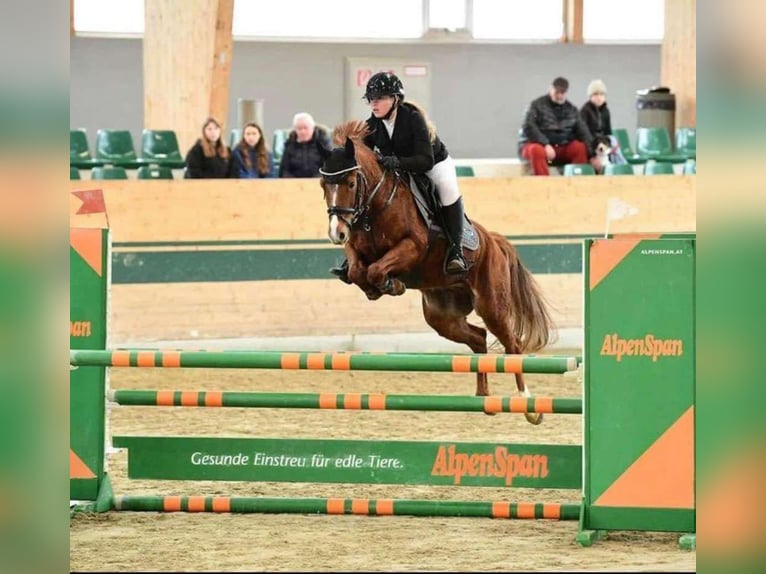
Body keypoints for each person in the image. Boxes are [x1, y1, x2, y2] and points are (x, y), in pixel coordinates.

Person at [330, 71, 468, 282]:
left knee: (448, 192)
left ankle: (456, 251)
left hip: (433, 164)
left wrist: (396, 161)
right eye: (371, 100)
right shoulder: (373, 124)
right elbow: (358, 155)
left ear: (395, 99)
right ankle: (353, 259)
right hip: (401, 168)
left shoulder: (413, 119)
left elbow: (425, 161)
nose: (374, 104)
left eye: (380, 99)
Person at [518, 77, 592, 176]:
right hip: (537, 146)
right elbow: (528, 125)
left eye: (563, 92)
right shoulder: (535, 105)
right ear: (550, 89)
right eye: (557, 92)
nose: (559, 95)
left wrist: (593, 155)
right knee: (536, 150)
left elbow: (584, 133)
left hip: (561, 147)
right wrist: (545, 144)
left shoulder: (572, 110)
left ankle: (577, 183)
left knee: (579, 148)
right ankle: (543, 185)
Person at [579, 79, 626, 170]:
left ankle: (618, 166)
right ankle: (621, 166)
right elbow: (584, 134)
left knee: (612, 139)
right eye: (596, 94)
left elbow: (608, 132)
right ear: (590, 96)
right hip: (592, 141)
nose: (599, 97)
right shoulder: (585, 111)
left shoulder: (606, 111)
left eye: (601, 94)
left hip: (602, 142)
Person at [278, 112, 332, 178]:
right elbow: (284, 171)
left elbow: (329, 167)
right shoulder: (290, 144)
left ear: (313, 128)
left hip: (319, 182)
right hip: (294, 184)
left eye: (305, 128)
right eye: (299, 129)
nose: (302, 132)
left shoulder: (323, 142)